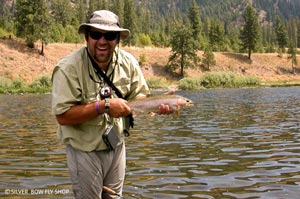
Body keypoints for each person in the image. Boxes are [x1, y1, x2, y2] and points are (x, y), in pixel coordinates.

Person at [51, 10, 172, 199]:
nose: (102, 41)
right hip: (84, 150)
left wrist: (159, 103)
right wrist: (103, 106)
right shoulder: (68, 68)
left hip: (116, 146)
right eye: (96, 34)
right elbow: (63, 117)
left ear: (118, 39)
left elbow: (139, 98)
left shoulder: (129, 62)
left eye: (110, 36)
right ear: (86, 36)